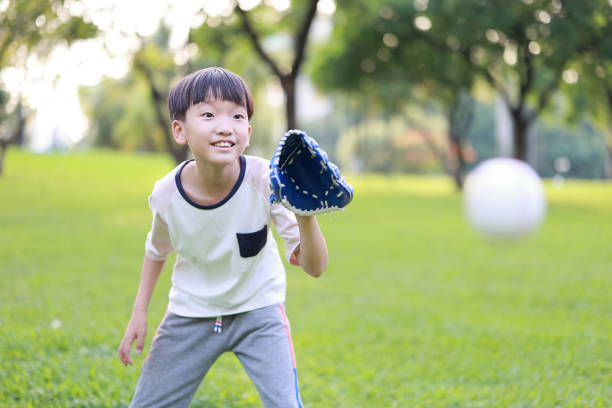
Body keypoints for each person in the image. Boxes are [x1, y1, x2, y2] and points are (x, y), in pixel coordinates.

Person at [117, 67, 328, 408]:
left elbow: (315, 267)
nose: (224, 125)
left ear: (247, 130)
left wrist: (306, 214)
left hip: (259, 310)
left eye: (237, 115)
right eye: (209, 114)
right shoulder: (167, 194)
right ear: (179, 130)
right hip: (190, 312)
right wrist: (139, 312)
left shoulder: (266, 180)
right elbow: (156, 250)